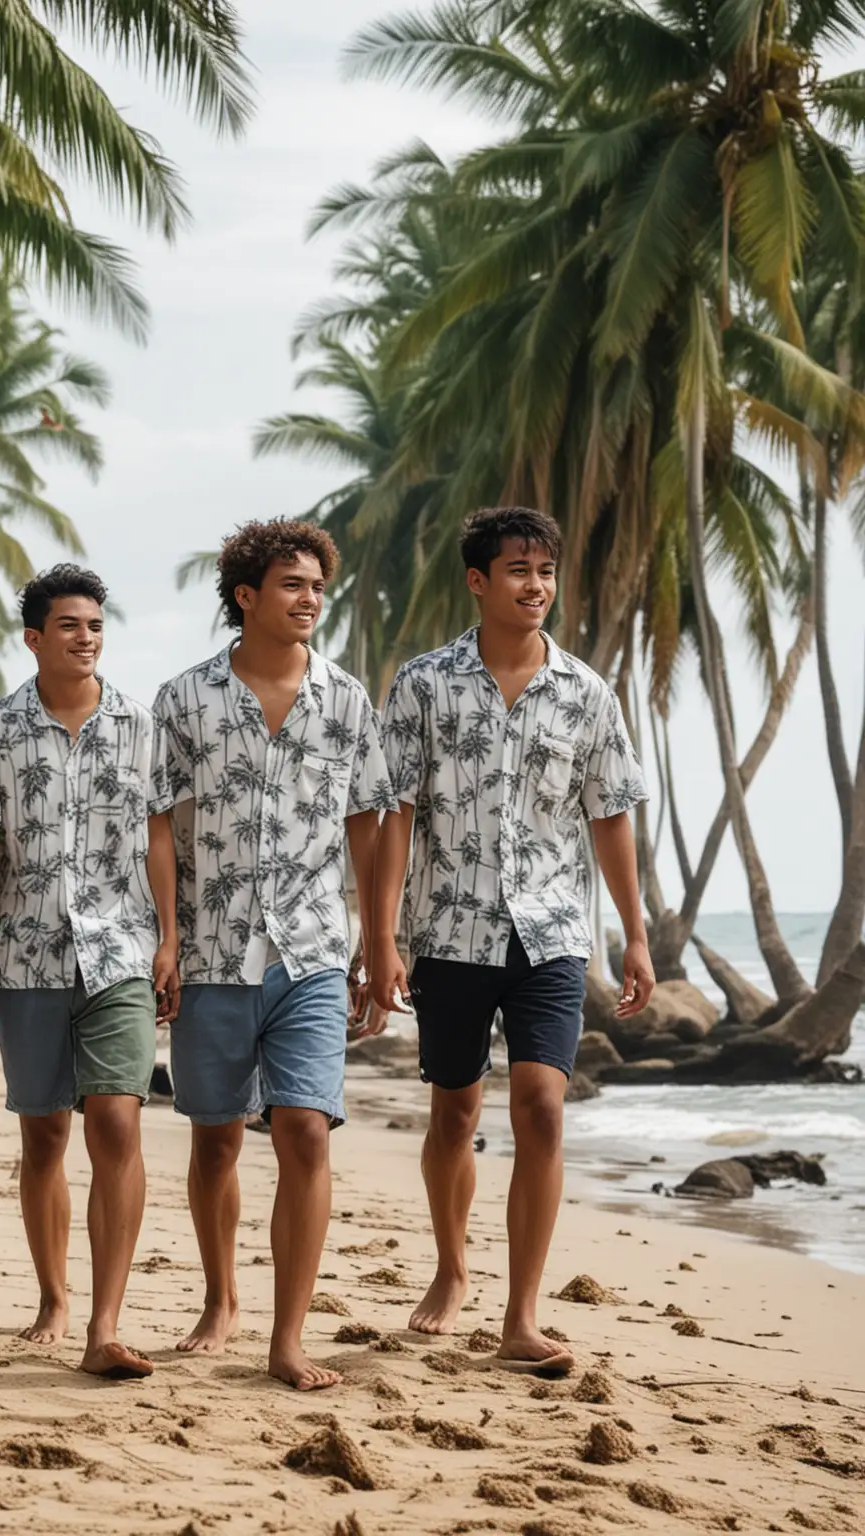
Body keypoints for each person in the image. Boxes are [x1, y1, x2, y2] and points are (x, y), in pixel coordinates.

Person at [368, 505, 655, 1377]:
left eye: (546, 570)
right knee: (454, 1110)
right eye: (519, 570)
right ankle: (453, 1269)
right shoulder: (423, 685)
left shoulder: (586, 692)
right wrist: (380, 937)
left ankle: (521, 1315)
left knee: (540, 1105)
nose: (537, 586)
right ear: (478, 581)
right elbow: (396, 818)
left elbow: (610, 818)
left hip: (553, 934)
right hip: (449, 931)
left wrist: (635, 938)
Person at [150, 519, 393, 1392]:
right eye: (292, 585)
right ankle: (221, 1298)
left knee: (303, 1130)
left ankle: (288, 1337)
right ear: (246, 596)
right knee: (214, 1139)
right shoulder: (183, 700)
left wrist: (381, 941)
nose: (310, 600)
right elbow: (159, 827)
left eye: (318, 587)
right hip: (213, 951)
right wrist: (166, 937)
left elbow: (371, 822)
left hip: (315, 951)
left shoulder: (347, 699)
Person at [0, 565, 171, 1381]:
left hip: (122, 950)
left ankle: (105, 1322)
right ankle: (53, 1298)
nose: (86, 637)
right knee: (44, 1133)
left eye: (95, 624)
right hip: (27, 951)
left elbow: (160, 833)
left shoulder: (139, 723)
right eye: (68, 625)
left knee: (118, 1125)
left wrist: (168, 937)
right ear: (34, 638)